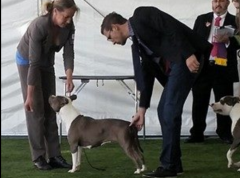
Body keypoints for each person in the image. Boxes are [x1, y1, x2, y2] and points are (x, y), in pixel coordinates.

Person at [100, 6, 212, 177]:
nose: (112, 42)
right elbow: (146, 77)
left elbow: (171, 27)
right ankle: (175, 164)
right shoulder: (136, 46)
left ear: (115, 26)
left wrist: (188, 53)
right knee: (164, 110)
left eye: (109, 37)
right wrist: (141, 110)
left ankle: (169, 166)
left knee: (169, 109)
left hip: (186, 58)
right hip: (178, 65)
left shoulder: (142, 15)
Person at [16, 0, 79, 170]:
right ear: (55, 12)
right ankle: (38, 156)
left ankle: (54, 156)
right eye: (66, 16)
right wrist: (29, 96)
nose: (69, 20)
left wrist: (69, 77)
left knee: (52, 108)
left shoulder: (68, 25)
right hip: (27, 63)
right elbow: (34, 64)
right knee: (36, 110)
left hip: (46, 62)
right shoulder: (39, 26)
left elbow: (69, 52)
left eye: (71, 17)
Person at [185, 0, 239, 144]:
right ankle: (197, 133)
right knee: (199, 101)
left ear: (228, 3)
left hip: (223, 68)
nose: (218, 4)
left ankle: (225, 133)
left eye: (221, 1)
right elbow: (192, 40)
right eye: (215, 1)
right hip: (203, 67)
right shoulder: (202, 19)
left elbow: (238, 44)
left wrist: (228, 41)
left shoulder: (235, 20)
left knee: (224, 102)